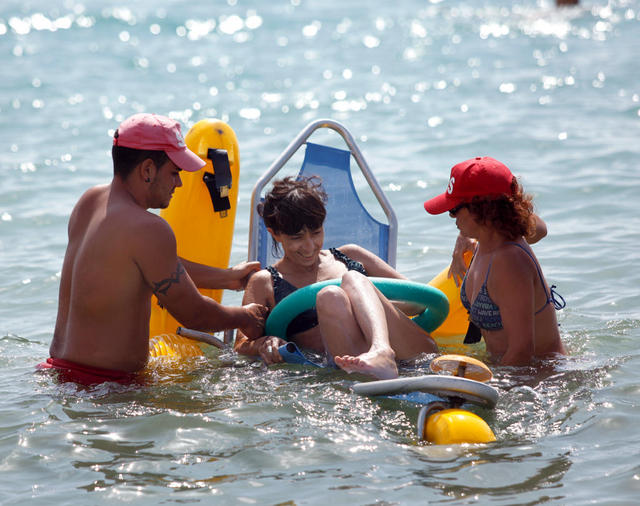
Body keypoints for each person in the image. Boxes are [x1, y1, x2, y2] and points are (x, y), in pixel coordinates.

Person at [44, 113, 268, 383]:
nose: (179, 183)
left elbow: (148, 265)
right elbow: (194, 314)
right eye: (174, 172)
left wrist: (227, 278)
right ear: (147, 170)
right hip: (106, 389)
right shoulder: (149, 228)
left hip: (57, 372)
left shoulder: (90, 201)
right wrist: (246, 316)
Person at [234, 176, 438, 380]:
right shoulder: (265, 282)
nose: (309, 246)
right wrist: (263, 343)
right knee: (330, 295)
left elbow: (420, 302)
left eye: (316, 232)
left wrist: (362, 303)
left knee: (352, 279)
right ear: (275, 234)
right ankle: (373, 365)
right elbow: (241, 345)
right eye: (297, 238)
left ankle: (382, 350)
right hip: (352, 366)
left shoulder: (352, 255)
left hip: (413, 354)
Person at [423, 156, 566, 366]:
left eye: (454, 209)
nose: (451, 217)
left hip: (538, 376)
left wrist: (484, 382)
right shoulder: (485, 242)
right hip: (503, 367)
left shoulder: (509, 261)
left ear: (481, 209)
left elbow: (521, 352)